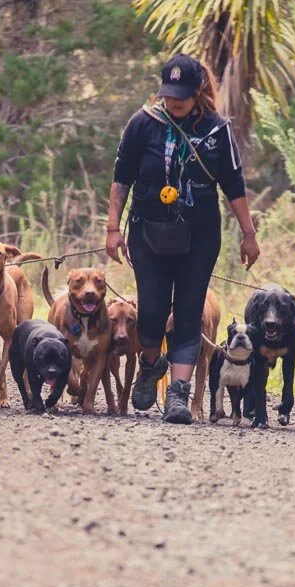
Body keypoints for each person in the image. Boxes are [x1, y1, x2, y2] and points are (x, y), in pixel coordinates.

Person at [106, 54, 260, 424]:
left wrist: (248, 233)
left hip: (200, 235)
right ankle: (149, 364)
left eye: (183, 94)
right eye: (169, 92)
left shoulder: (216, 130)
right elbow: (122, 175)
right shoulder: (143, 124)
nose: (174, 100)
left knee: (190, 311)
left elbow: (233, 185)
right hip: (148, 232)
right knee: (153, 311)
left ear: (199, 90)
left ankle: (178, 395)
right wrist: (113, 228)